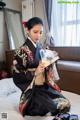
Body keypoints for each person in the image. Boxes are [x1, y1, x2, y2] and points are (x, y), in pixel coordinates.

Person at [12, 17, 70, 117]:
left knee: (65, 103)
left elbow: (46, 64)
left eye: (41, 32)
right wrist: (35, 72)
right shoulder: (21, 52)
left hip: (43, 85)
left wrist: (51, 62)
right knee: (48, 106)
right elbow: (17, 75)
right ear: (27, 30)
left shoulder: (41, 48)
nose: (38, 35)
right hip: (32, 89)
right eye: (35, 32)